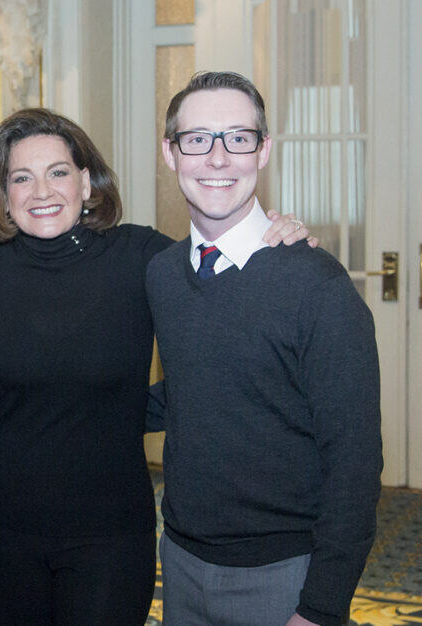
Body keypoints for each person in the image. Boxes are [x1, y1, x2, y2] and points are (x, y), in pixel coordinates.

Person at [0, 107, 314, 625]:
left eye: (58, 172)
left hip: (110, 530)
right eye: (21, 177)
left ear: (85, 181)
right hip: (4, 525)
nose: (42, 191)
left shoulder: (142, 255)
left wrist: (277, 239)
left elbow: (230, 312)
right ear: (3, 193)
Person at [147, 71, 381, 626]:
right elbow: (191, 391)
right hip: (178, 562)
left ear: (264, 150)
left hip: (283, 575)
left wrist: (322, 607)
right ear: (171, 153)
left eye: (239, 137)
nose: (218, 157)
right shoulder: (162, 272)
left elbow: (355, 462)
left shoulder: (316, 285)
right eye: (198, 138)